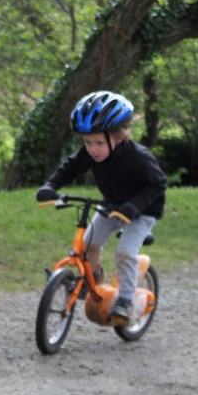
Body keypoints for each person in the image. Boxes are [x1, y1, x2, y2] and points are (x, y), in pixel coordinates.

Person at [36, 90, 167, 324]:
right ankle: (93, 279)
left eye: (98, 143)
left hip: (143, 210)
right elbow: (70, 167)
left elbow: (157, 184)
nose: (93, 149)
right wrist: (51, 185)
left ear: (118, 136)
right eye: (87, 142)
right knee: (88, 244)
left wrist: (134, 206)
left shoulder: (138, 157)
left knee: (125, 252)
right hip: (112, 204)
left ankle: (125, 300)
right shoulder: (90, 154)